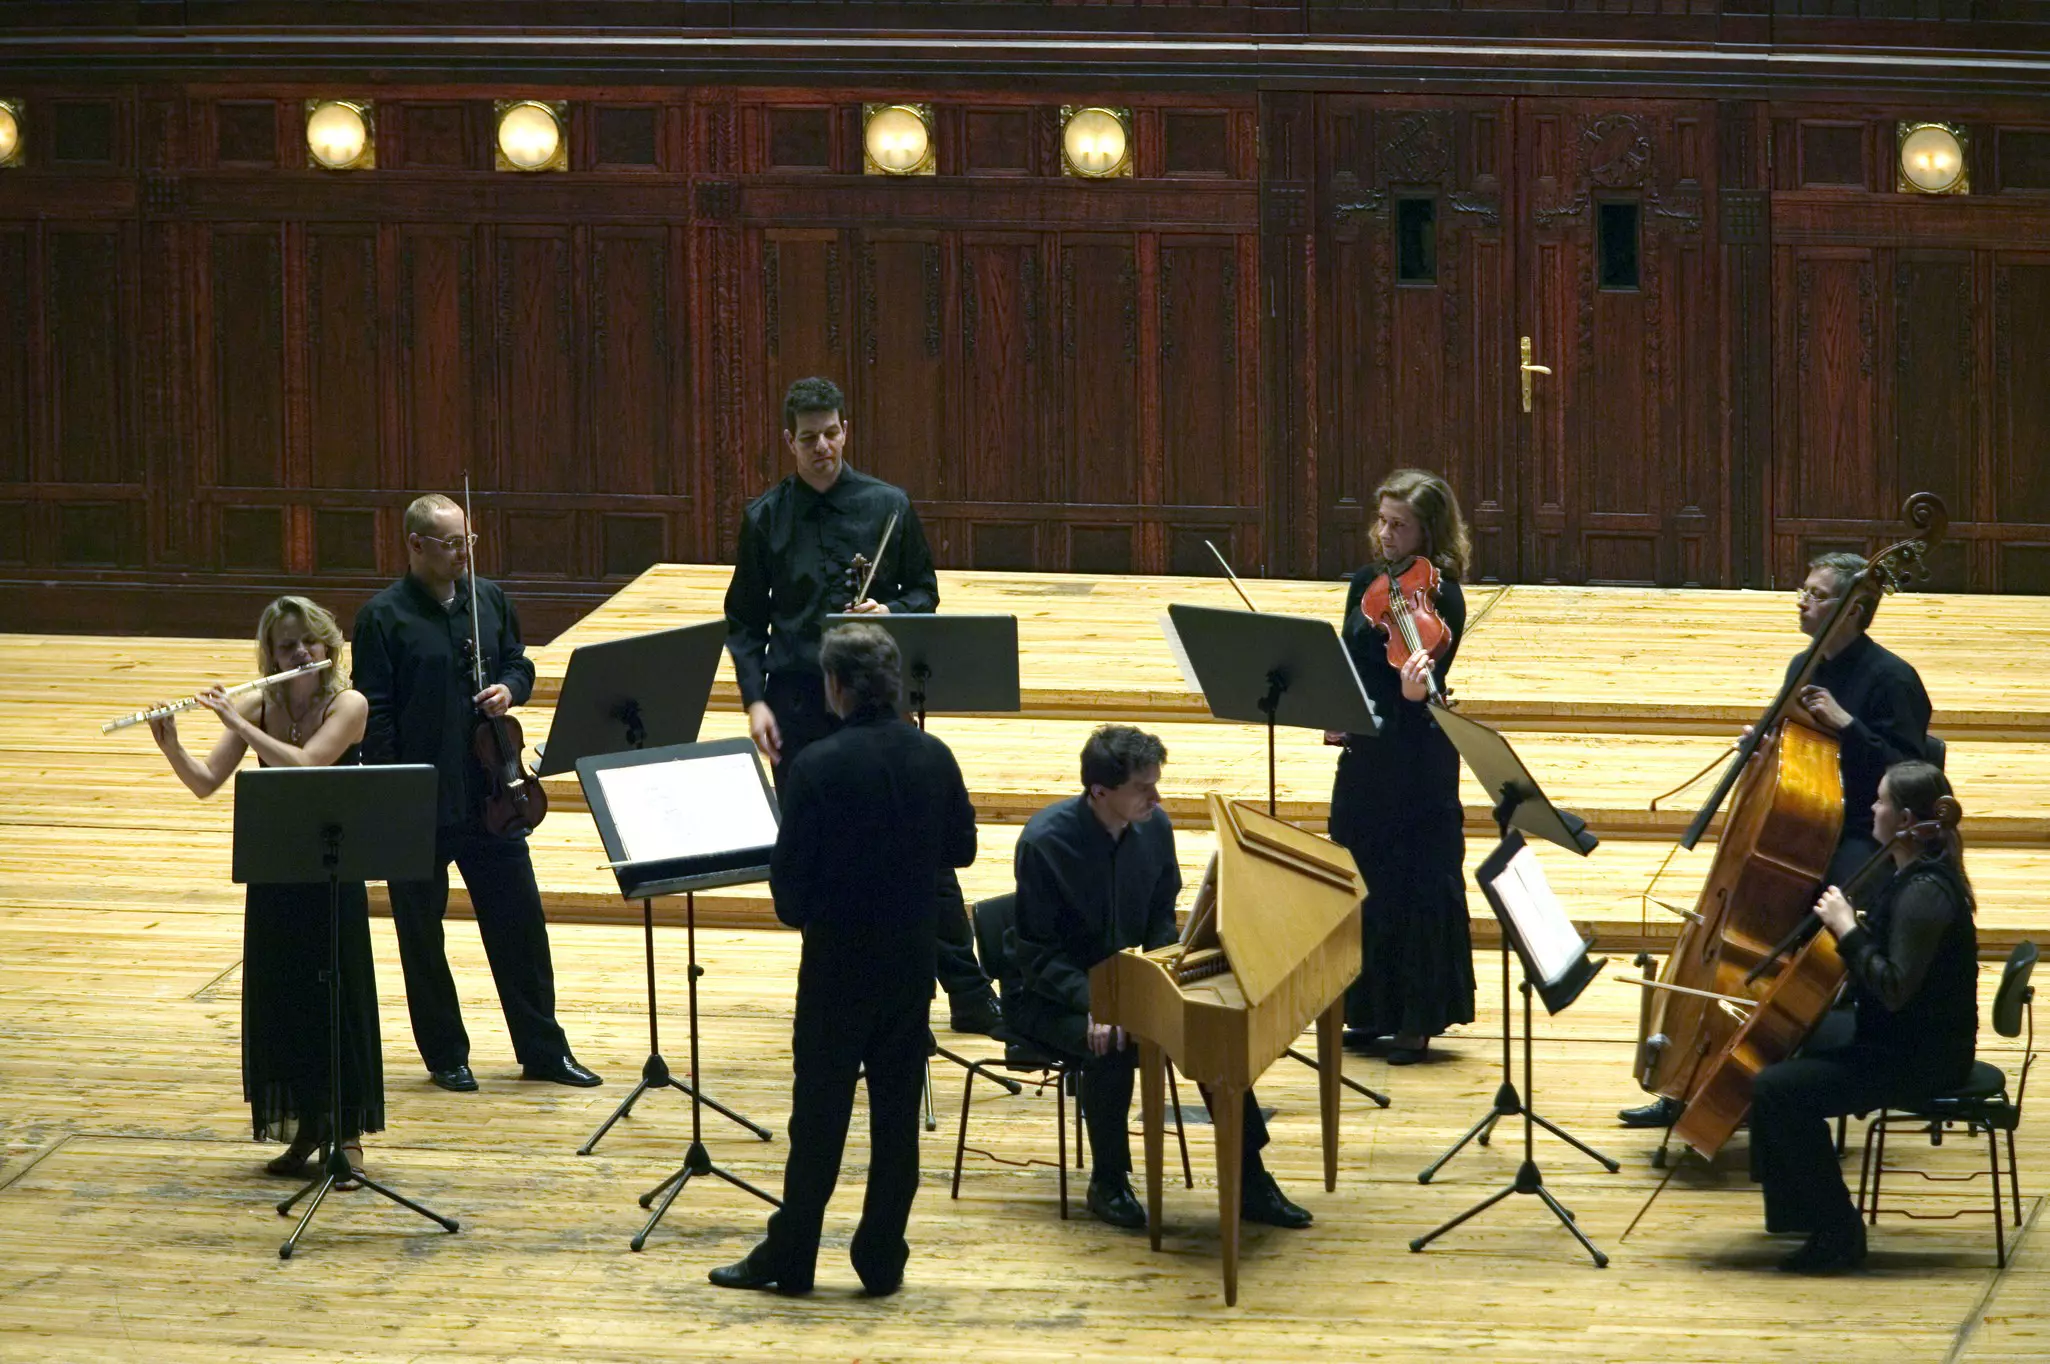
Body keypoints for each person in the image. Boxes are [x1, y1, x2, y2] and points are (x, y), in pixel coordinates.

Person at [724, 375, 1002, 1037]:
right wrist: (755, 702)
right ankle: (835, 998)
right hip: (796, 705)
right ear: (787, 441)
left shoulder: (889, 506)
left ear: (846, 430)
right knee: (814, 855)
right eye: (808, 438)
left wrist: (892, 609)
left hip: (875, 704)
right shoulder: (764, 517)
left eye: (831, 433)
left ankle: (968, 995)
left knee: (925, 851)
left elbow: (924, 592)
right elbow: (742, 623)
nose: (822, 447)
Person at [709, 623, 977, 1296]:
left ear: (835, 687)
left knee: (820, 1118)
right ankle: (881, 1256)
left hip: (836, 968)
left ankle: (793, 1257)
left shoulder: (817, 766)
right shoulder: (934, 755)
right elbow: (963, 850)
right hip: (911, 963)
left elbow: (790, 894)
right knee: (896, 1118)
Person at [1621, 549, 1933, 1126]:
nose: (1801, 600)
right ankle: (1689, 1081)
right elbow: (1798, 759)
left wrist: (1849, 726)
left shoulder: (1892, 679)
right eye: (1803, 589)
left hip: (1863, 836)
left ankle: (1779, 1089)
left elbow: (1914, 776)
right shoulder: (1802, 666)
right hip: (1797, 831)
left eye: (1815, 594)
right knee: (1736, 938)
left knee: (1804, 951)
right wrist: (1763, 749)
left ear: (1853, 609)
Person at [1004, 725, 1313, 1232]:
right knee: (1116, 1041)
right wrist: (1098, 1005)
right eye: (1144, 787)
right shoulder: (1045, 843)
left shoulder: (1155, 828)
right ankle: (1109, 1179)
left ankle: (1249, 1177)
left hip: (1128, 980)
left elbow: (1159, 920)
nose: (1157, 796)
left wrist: (1171, 979)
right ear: (1100, 792)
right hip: (1049, 994)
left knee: (1211, 1028)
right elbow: (1035, 954)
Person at [352, 493, 600, 1093]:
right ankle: (445, 1054)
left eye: (468, 541)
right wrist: (393, 795)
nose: (464, 552)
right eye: (451, 543)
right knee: (421, 932)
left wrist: (510, 692)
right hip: (420, 800)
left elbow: (520, 664)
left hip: (493, 794)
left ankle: (543, 1048)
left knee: (520, 925)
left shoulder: (488, 599)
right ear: (415, 545)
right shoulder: (381, 618)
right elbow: (375, 716)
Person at [148, 596, 382, 1186]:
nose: (300, 652)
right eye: (286, 645)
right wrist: (171, 743)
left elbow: (306, 765)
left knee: (338, 995)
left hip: (332, 870)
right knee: (284, 995)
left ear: (328, 645)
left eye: (309, 641)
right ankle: (307, 1126)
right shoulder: (261, 701)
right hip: (278, 865)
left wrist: (240, 723)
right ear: (270, 651)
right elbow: (205, 783)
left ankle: (347, 1137)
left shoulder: (348, 703)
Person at [1749, 760, 1978, 1273]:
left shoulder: (1924, 892)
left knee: (1777, 1089)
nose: (1871, 808)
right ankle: (1799, 1211)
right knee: (1787, 1042)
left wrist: (1848, 930)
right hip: (1899, 1040)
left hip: (1920, 1058)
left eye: (1880, 800)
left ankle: (1837, 1232)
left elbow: (1894, 989)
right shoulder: (1907, 874)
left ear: (1904, 819)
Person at [1324, 469, 1474, 1065]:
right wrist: (1336, 707)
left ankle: (1417, 1018)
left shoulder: (1445, 594)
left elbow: (1425, 687)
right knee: (1366, 876)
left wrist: (1413, 697)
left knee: (1416, 885)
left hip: (1417, 758)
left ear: (1428, 532)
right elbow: (1354, 662)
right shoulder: (1365, 583)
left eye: (1399, 524)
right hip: (1366, 753)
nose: (1385, 533)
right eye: (1382, 520)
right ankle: (1372, 1009)